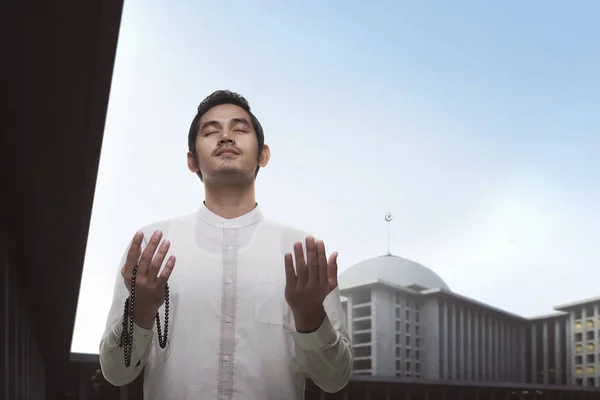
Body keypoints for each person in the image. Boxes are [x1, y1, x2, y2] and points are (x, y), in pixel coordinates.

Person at [99, 90, 353, 399]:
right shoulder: (151, 250)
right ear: (192, 160)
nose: (225, 137)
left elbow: (335, 378)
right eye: (211, 131)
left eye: (240, 129)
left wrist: (311, 317)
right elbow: (116, 372)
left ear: (264, 154)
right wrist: (139, 311)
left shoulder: (303, 253)